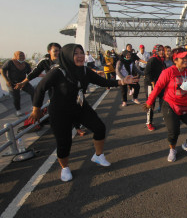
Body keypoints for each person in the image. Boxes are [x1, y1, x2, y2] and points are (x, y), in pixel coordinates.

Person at [29, 43, 138, 182]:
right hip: (59, 111)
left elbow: (103, 82)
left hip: (79, 106)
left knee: (99, 127)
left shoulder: (85, 71)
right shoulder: (57, 72)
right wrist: (36, 109)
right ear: (68, 56)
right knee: (64, 142)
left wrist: (122, 82)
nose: (80, 56)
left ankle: (98, 156)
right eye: (76, 53)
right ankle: (65, 168)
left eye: (81, 53)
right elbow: (40, 88)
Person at [1, 51, 34, 116]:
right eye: (20, 55)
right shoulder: (10, 63)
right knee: (16, 97)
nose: (22, 57)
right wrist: (7, 80)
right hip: (13, 83)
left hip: (23, 82)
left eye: (23, 55)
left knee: (34, 92)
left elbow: (30, 74)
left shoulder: (26, 64)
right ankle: (18, 110)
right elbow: (2, 70)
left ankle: (34, 106)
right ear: (16, 56)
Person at [144, 44, 166, 131]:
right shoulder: (152, 59)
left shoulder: (161, 60)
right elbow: (146, 72)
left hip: (160, 84)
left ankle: (166, 117)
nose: (161, 51)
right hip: (151, 84)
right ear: (155, 51)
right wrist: (153, 81)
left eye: (162, 50)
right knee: (151, 103)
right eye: (159, 50)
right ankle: (149, 122)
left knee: (164, 100)